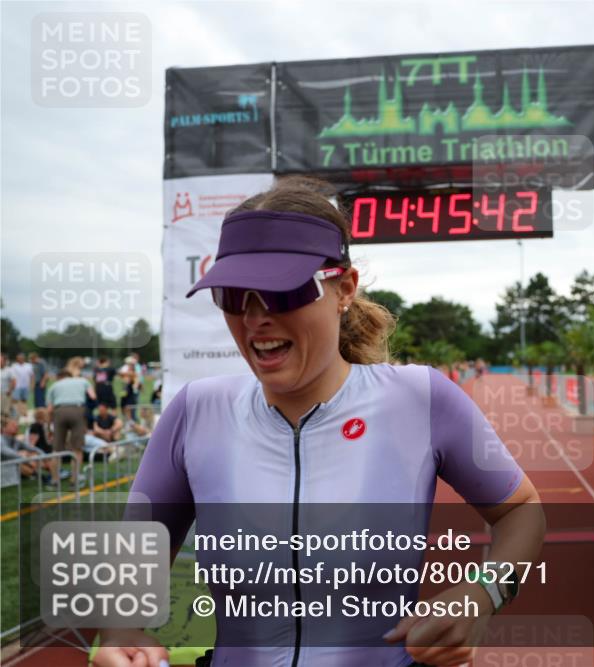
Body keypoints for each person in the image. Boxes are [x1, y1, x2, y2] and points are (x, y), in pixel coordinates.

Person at [95, 176, 544, 667]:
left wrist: (482, 593)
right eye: (232, 294)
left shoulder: (421, 399)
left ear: (344, 288)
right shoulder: (196, 410)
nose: (255, 317)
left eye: (283, 290)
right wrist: (119, 629)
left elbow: (522, 509)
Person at [46, 367, 96, 486]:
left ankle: (54, 480)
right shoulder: (82, 381)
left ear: (59, 377)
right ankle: (74, 479)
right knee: (77, 449)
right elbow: (93, 396)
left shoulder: (54, 386)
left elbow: (49, 410)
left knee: (56, 450)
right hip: (78, 410)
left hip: (59, 411)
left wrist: (49, 428)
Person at [10, 353, 33, 417]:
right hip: (17, 386)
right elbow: (12, 376)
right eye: (18, 358)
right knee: (15, 400)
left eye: (21, 358)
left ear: (23, 358)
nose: (20, 359)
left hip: (26, 386)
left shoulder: (28, 366)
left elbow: (32, 376)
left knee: (24, 400)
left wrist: (32, 385)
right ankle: (16, 413)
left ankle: (24, 412)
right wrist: (12, 386)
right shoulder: (14, 366)